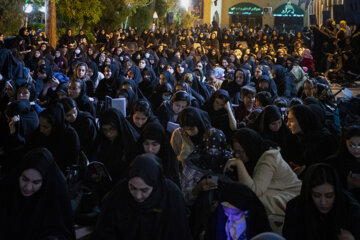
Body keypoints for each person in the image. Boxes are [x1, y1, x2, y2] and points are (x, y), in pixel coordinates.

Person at [91, 154, 192, 240]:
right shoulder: (119, 192)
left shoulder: (171, 196)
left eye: (144, 190)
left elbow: (178, 234)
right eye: (133, 188)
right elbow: (105, 231)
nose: (138, 196)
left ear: (155, 184)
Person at [225, 128, 302, 231]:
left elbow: (253, 191)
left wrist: (239, 164)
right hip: (276, 192)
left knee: (253, 201)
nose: (237, 156)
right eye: (235, 152)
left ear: (250, 148)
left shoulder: (268, 158)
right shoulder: (256, 156)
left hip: (290, 196)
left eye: (240, 152)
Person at [0, 148, 75, 240]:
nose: (28, 187)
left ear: (45, 182)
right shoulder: (7, 188)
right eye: (24, 179)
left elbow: (60, 228)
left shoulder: (53, 195)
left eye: (36, 182)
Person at [283, 163, 360, 240]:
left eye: (329, 196)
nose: (323, 202)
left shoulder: (351, 209)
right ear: (309, 193)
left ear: (336, 193)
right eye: (317, 195)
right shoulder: (295, 207)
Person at [205, 181, 272, 240]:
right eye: (226, 212)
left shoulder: (255, 225)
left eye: (235, 213)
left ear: (246, 212)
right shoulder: (220, 218)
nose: (230, 217)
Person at [28, 103, 80, 173]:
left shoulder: (70, 135)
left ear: (55, 126)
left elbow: (71, 163)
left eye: (45, 127)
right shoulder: (39, 132)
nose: (41, 130)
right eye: (40, 125)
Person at [136, 122, 180, 187]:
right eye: (146, 144)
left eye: (154, 144)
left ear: (161, 144)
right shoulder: (136, 158)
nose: (150, 149)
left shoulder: (169, 162)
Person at [330, 125, 360, 202]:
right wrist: (349, 184)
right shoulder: (336, 162)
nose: (356, 150)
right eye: (351, 145)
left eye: (359, 145)